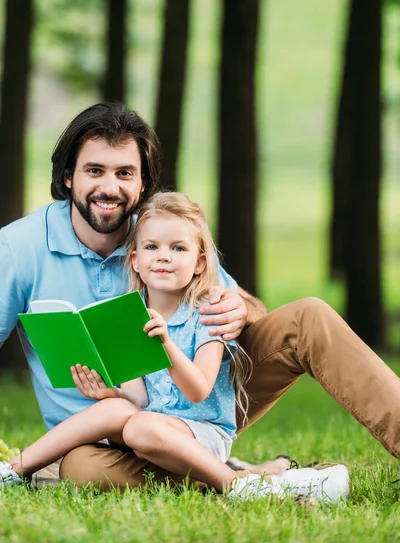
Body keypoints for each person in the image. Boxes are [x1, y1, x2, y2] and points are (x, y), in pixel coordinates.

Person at [0, 102, 399, 491]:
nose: (110, 187)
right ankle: (247, 478)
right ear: (68, 176)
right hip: (100, 440)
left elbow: (246, 308)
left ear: (142, 185)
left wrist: (241, 309)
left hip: (198, 405)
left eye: (125, 173)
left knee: (309, 317)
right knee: (85, 471)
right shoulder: (19, 248)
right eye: (94, 171)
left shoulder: (163, 235)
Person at [0, 192, 350, 503]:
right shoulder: (129, 314)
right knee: (116, 417)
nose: (163, 257)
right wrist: (108, 393)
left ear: (199, 263)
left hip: (201, 432)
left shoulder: (207, 312)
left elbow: (198, 389)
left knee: (139, 427)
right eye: (152, 247)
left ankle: (234, 483)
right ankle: (15, 469)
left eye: (177, 248)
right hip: (150, 431)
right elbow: (136, 401)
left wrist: (166, 346)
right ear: (135, 260)